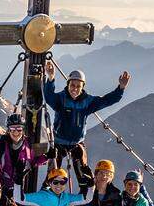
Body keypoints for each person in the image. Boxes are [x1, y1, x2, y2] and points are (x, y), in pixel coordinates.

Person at [43, 60, 129, 192]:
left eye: (78, 86)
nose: (75, 89)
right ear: (68, 84)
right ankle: (48, 194)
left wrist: (121, 88)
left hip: (77, 143)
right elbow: (49, 97)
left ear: (83, 87)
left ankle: (86, 196)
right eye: (73, 85)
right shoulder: (61, 99)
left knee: (84, 174)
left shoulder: (88, 102)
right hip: (59, 142)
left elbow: (107, 100)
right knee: (53, 174)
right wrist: (51, 78)